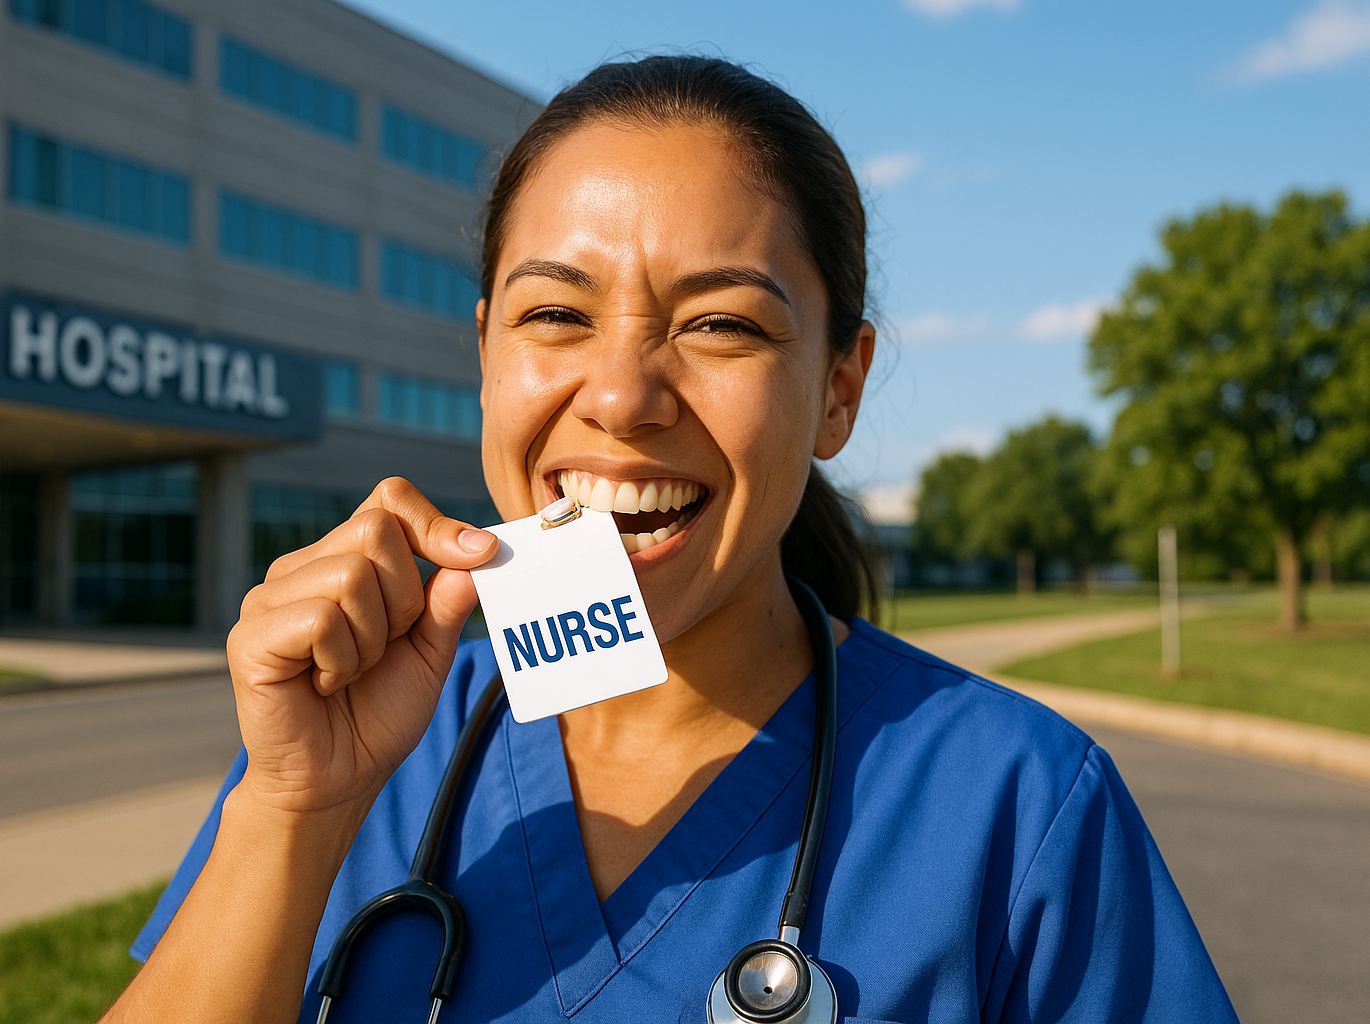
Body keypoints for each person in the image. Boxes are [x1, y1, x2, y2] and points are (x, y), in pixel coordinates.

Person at [103, 56, 1238, 1024]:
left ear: (839, 389)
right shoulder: (361, 738)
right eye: (557, 314)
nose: (623, 395)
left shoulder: (1019, 803)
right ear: (486, 350)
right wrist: (291, 810)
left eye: (721, 325)